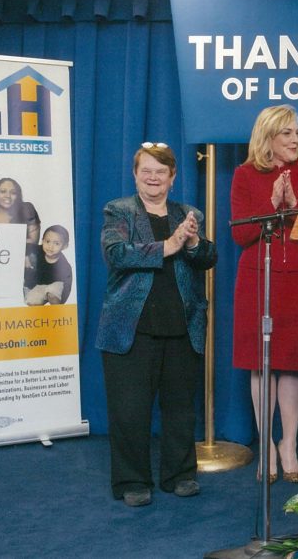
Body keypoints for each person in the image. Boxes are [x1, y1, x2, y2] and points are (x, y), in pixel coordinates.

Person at [97, 142, 216, 507]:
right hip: (131, 329)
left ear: (172, 177)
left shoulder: (188, 212)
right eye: (146, 170)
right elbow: (116, 254)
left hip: (182, 327)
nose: (153, 177)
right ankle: (133, 481)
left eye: (160, 172)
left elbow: (207, 258)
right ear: (135, 174)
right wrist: (169, 244)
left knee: (181, 409)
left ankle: (179, 475)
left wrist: (193, 241)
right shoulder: (119, 210)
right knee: (129, 410)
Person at [231, 104, 298, 483]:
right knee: (262, 362)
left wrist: (294, 207)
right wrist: (271, 206)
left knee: (293, 361)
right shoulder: (244, 174)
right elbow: (240, 234)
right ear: (268, 136)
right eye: (287, 133)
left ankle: (289, 444)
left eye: (297, 132)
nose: (296, 139)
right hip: (260, 276)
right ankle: (266, 445)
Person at [25, 224, 73, 305]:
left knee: (54, 291)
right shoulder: (38, 250)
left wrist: (61, 303)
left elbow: (67, 286)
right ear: (42, 241)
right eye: (47, 241)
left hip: (55, 286)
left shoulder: (64, 266)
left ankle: (55, 311)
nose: (50, 246)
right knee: (32, 299)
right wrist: (26, 257)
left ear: (65, 246)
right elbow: (23, 246)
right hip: (38, 286)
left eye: (56, 243)